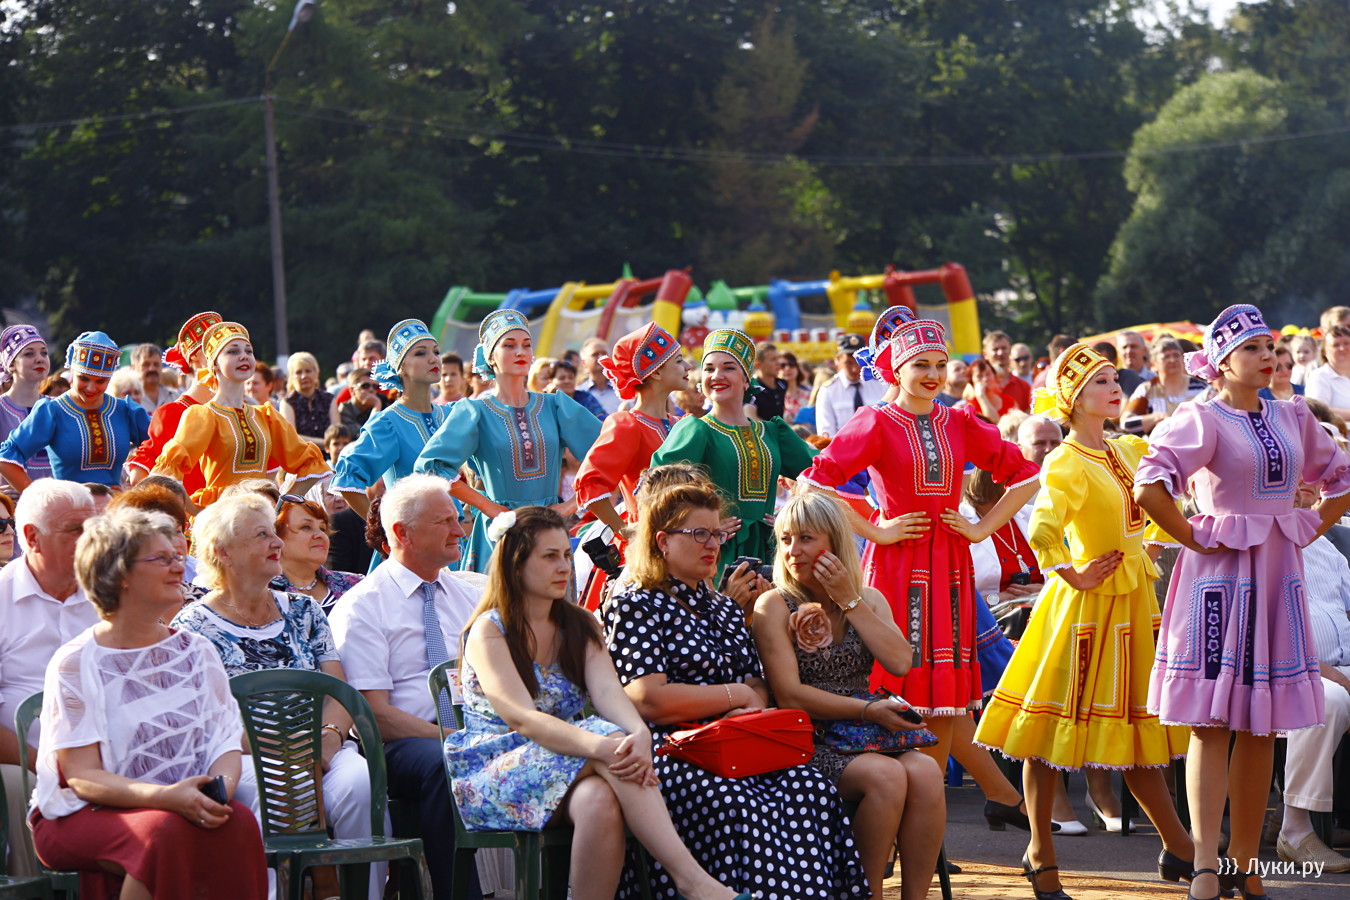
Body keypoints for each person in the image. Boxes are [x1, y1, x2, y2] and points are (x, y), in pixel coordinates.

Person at [1135, 304, 1350, 900]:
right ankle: (1207, 863)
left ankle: (1245, 862)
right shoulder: (1199, 417)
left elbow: (1341, 478)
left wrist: (1306, 525)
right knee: (1211, 724)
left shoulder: (1293, 413)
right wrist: (1193, 535)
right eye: (1253, 348)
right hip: (1218, 582)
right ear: (1221, 363)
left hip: (1278, 576)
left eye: (1270, 347)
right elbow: (1149, 485)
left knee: (1260, 725)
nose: (1268, 357)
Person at [974, 343, 1193, 900]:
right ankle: (1042, 853)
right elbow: (1044, 528)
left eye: (1115, 378)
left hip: (1132, 606)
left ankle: (1180, 846)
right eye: (1100, 381)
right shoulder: (1066, 459)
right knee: (1050, 734)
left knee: (1136, 731)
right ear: (1072, 399)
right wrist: (1073, 573)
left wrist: (1156, 543)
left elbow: (1161, 504)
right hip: (1083, 612)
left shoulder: (1127, 449)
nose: (1114, 387)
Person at [447, 506, 750, 900]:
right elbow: (523, 719)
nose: (564, 567)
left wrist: (639, 734)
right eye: (549, 556)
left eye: (565, 555)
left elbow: (609, 693)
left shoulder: (580, 624)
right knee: (611, 744)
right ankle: (693, 881)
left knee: (599, 800)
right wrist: (606, 746)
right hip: (495, 771)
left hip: (569, 762)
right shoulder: (490, 630)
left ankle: (686, 884)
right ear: (516, 565)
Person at [602, 481, 868, 899]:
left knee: (811, 788)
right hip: (673, 749)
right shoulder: (638, 603)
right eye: (699, 534)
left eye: (717, 534)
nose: (713, 545)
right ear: (663, 541)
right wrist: (736, 697)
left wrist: (747, 703)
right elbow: (647, 698)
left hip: (739, 741)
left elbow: (757, 683)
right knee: (736, 802)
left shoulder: (722, 607)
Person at [798, 318, 1040, 773]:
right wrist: (876, 529)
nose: (933, 374)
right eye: (921, 365)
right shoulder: (875, 421)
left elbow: (1026, 475)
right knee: (897, 677)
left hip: (950, 563)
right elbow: (814, 482)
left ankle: (938, 801)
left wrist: (981, 529)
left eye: (940, 364)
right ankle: (906, 791)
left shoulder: (959, 420)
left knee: (945, 696)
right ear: (897, 369)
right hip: (896, 561)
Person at [29, 506, 267, 899]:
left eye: (177, 556)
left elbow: (225, 743)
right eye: (161, 559)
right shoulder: (77, 661)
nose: (179, 567)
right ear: (118, 574)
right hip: (82, 812)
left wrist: (215, 794)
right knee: (165, 831)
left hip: (178, 802)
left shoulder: (198, 652)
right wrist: (167, 799)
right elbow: (83, 777)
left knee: (237, 821)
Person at [172, 494, 378, 900]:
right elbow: (202, 718)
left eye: (274, 533)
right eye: (262, 535)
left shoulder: (305, 611)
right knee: (284, 784)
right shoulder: (192, 626)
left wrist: (329, 737)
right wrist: (282, 748)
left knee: (360, 782)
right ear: (223, 552)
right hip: (242, 754)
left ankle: (361, 893)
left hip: (321, 744)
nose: (277, 542)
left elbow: (338, 690)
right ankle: (310, 888)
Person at [752, 492, 943, 898]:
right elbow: (790, 696)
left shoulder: (867, 599)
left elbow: (901, 662)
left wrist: (849, 599)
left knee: (927, 772)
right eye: (785, 540)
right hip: (808, 736)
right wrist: (868, 711)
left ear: (835, 543)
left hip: (864, 731)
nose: (793, 551)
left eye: (806, 538)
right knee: (886, 776)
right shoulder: (774, 604)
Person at [327, 474, 485, 899]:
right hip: (399, 746)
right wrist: (453, 738)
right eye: (444, 522)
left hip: (471, 732)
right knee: (444, 761)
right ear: (402, 533)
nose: (459, 531)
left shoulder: (469, 596)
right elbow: (374, 716)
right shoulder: (364, 605)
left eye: (458, 518)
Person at [414, 310, 601, 573]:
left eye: (526, 345)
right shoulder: (475, 411)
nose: (520, 352)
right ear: (490, 357)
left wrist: (570, 505)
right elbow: (431, 466)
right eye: (509, 345)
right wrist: (490, 507)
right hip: (500, 533)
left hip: (550, 529)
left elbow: (608, 453)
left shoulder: (555, 405)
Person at [649, 329, 817, 572]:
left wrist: (789, 517)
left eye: (728, 368)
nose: (717, 375)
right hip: (715, 553)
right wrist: (703, 528)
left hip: (770, 551)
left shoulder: (772, 432)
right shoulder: (697, 429)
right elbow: (658, 489)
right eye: (709, 369)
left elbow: (821, 473)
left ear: (747, 380)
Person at [0, 481, 97, 876]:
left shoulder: (112, 594)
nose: (90, 539)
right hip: (23, 760)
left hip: (112, 753)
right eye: (75, 530)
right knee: (15, 784)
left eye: (93, 527)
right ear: (32, 538)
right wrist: (46, 766)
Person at [152, 323, 329, 507]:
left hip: (261, 514)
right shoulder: (204, 415)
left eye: (248, 351)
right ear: (214, 364)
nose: (244, 356)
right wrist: (195, 512)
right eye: (233, 351)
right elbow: (166, 473)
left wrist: (282, 504)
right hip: (222, 516)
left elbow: (310, 464)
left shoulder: (266, 416)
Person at [1273, 482, 1350, 872]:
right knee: (1327, 700)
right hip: (1285, 670)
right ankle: (1295, 827)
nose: (1299, 487)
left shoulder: (1328, 548)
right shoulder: (1256, 546)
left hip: (1341, 664)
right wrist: (1326, 671)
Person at [332, 319, 452, 521]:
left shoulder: (449, 415)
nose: (433, 359)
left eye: (436, 352)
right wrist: (383, 528)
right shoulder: (388, 423)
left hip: (457, 533)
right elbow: (347, 480)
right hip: (413, 534)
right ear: (400, 367)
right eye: (421, 353)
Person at [573, 323, 686, 537]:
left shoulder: (681, 424)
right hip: (648, 543)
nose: (688, 367)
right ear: (657, 372)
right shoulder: (628, 425)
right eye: (679, 361)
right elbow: (590, 483)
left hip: (688, 540)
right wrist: (626, 533)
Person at [0, 332, 151, 491]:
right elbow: (6, 457)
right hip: (69, 504)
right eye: (83, 378)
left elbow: (161, 448)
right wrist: (37, 496)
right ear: (72, 372)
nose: (91, 388)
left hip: (115, 504)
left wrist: (138, 486)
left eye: (100, 381)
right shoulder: (53, 411)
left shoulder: (125, 411)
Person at [125, 311, 225, 495]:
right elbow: (140, 477)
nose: (231, 356)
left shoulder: (247, 411)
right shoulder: (172, 413)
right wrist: (186, 505)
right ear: (195, 357)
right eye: (217, 348)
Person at [269, 493, 363, 613]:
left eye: (322, 528)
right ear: (277, 537)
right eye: (306, 527)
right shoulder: (263, 593)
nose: (320, 535)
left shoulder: (355, 585)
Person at [0, 325, 54, 501]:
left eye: (44, 353)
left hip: (57, 506)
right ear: (11, 364)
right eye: (29, 354)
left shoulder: (59, 407)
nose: (40, 359)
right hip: (11, 509)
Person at [1123, 337, 1206, 434]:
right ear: (1154, 363)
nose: (1172, 360)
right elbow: (1126, 424)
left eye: (1176, 355)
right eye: (1166, 357)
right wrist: (1156, 417)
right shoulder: (1147, 389)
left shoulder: (1200, 387)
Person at [816, 334, 888, 438]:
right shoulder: (828, 390)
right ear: (838, 359)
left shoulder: (880, 385)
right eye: (848, 363)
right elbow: (826, 433)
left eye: (859, 363)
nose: (855, 369)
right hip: (842, 446)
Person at [279, 351, 334, 445]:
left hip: (330, 452)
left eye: (308, 371)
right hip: (301, 452)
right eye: (298, 372)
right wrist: (325, 443)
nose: (304, 376)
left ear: (316, 373)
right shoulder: (287, 402)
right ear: (292, 377)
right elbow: (291, 436)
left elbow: (337, 434)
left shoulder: (329, 399)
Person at [1304, 324, 1350, 420]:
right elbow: (1319, 411)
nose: (1342, 348)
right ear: (1324, 351)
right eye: (1336, 345)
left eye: (1347, 343)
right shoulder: (1319, 376)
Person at [982, 330, 1032, 412]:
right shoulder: (980, 385)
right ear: (985, 354)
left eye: (1004, 348)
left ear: (1010, 351)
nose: (1000, 352)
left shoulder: (1024, 386)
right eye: (995, 349)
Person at [578, 336, 620, 415]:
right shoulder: (579, 392)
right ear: (584, 363)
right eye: (595, 354)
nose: (601, 357)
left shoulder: (623, 389)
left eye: (604, 354)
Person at [131, 343, 179, 412]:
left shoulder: (175, 397)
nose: (152, 369)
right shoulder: (129, 399)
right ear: (133, 368)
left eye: (156, 364)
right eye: (146, 364)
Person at [745, 343, 788, 422]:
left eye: (778, 358)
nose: (778, 363)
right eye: (773, 359)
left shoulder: (783, 384)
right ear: (758, 364)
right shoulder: (751, 389)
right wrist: (776, 428)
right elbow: (751, 418)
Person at [1115, 329, 1152, 397]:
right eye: (1124, 347)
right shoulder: (1113, 383)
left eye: (1133, 346)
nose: (1129, 351)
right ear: (1118, 352)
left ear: (1144, 350)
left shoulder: (1156, 380)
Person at [778, 350, 811, 423]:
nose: (787, 368)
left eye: (792, 364)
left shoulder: (810, 395)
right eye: (782, 365)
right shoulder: (774, 397)